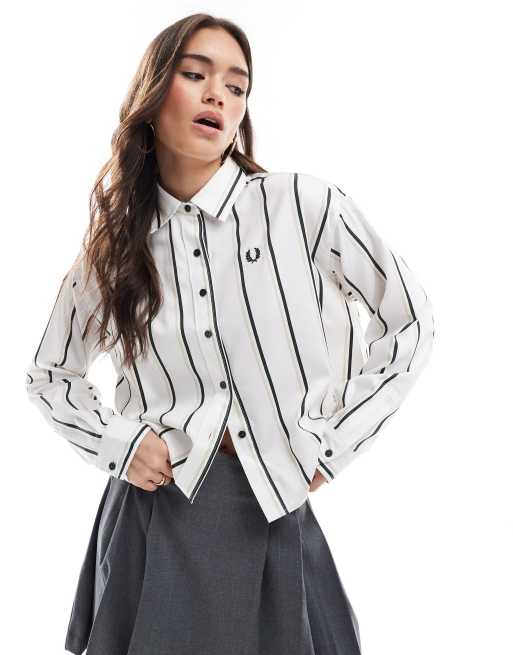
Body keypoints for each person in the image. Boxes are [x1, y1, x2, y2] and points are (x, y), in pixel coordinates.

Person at [25, 13, 435, 655]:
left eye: (237, 86)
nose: (218, 94)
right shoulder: (118, 248)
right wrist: (121, 442)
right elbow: (51, 376)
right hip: (155, 513)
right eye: (196, 75)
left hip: (271, 503)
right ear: (154, 93)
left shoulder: (303, 206)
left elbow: (409, 321)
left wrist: (332, 442)